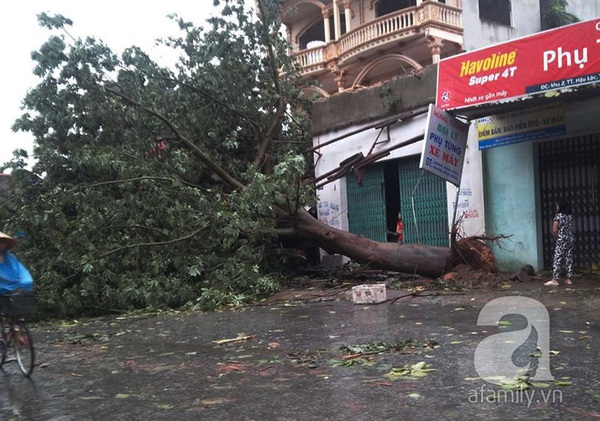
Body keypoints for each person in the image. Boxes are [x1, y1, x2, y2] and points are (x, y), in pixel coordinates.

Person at [545, 200, 574, 286]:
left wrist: (555, 238)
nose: (556, 207)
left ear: (561, 207)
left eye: (557, 206)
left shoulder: (558, 216)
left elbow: (554, 230)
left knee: (558, 258)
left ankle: (555, 279)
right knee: (569, 258)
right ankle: (569, 279)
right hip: (570, 239)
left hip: (561, 239)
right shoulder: (569, 216)